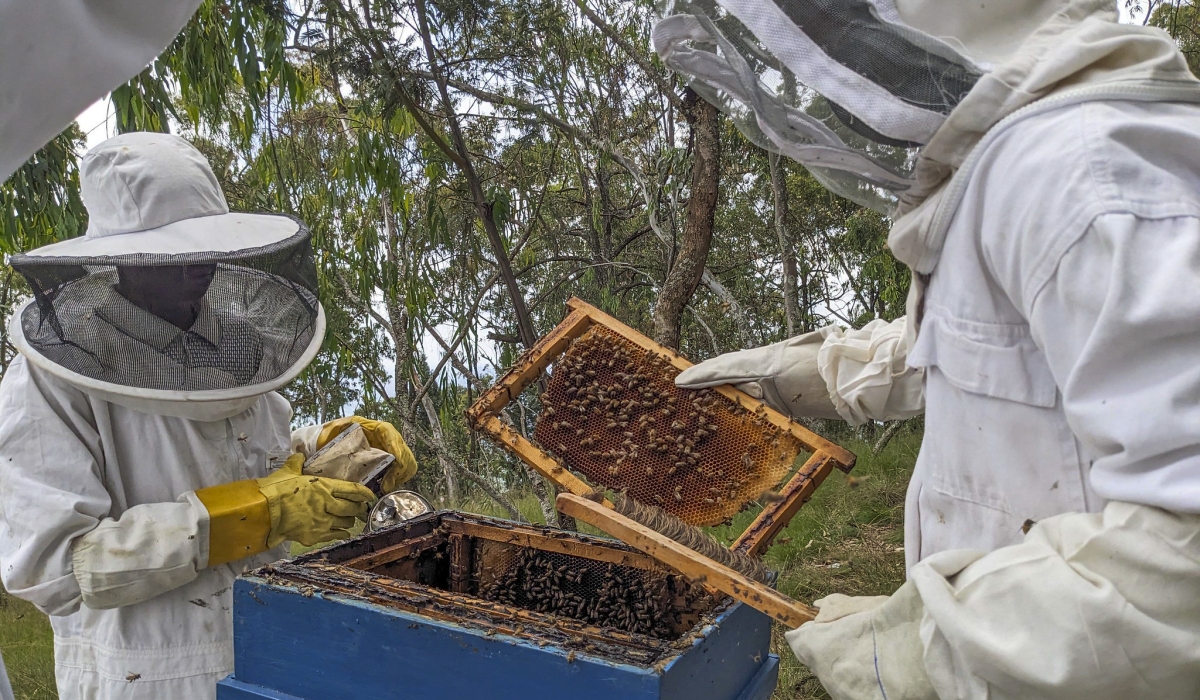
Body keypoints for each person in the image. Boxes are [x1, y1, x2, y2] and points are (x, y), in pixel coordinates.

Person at [659, 0, 1200, 697]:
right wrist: (803, 374)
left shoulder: (1089, 174)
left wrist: (932, 648)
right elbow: (999, 342)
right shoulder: (1031, 157)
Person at [0, 132, 418, 700]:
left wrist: (327, 446)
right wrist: (256, 516)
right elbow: (56, 569)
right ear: (118, 259)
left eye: (206, 243)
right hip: (149, 677)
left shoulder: (236, 344)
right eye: (177, 251)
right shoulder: (49, 379)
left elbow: (251, 456)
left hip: (270, 646)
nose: (202, 262)